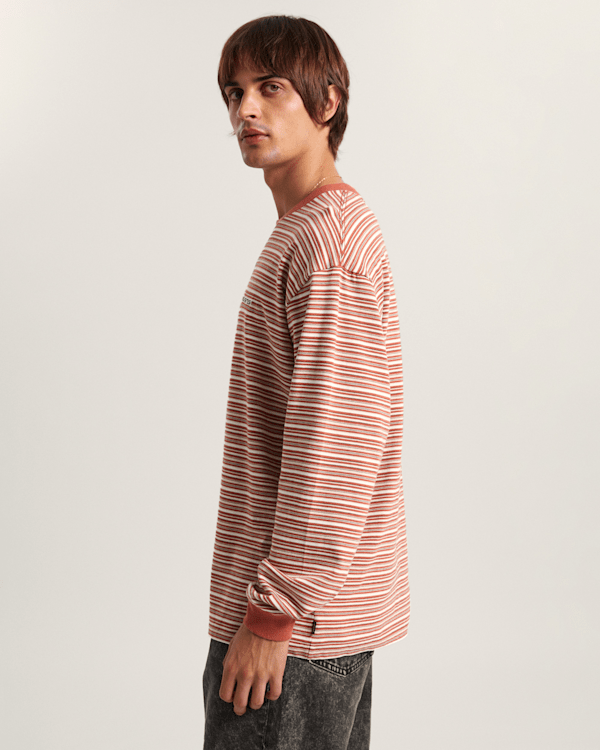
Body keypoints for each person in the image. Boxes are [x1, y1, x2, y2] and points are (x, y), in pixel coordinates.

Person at [203, 15, 410, 750]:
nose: (245, 110)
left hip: (293, 632)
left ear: (327, 102)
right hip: (309, 623)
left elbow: (337, 447)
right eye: (234, 93)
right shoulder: (312, 228)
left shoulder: (326, 245)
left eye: (271, 88)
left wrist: (272, 614)